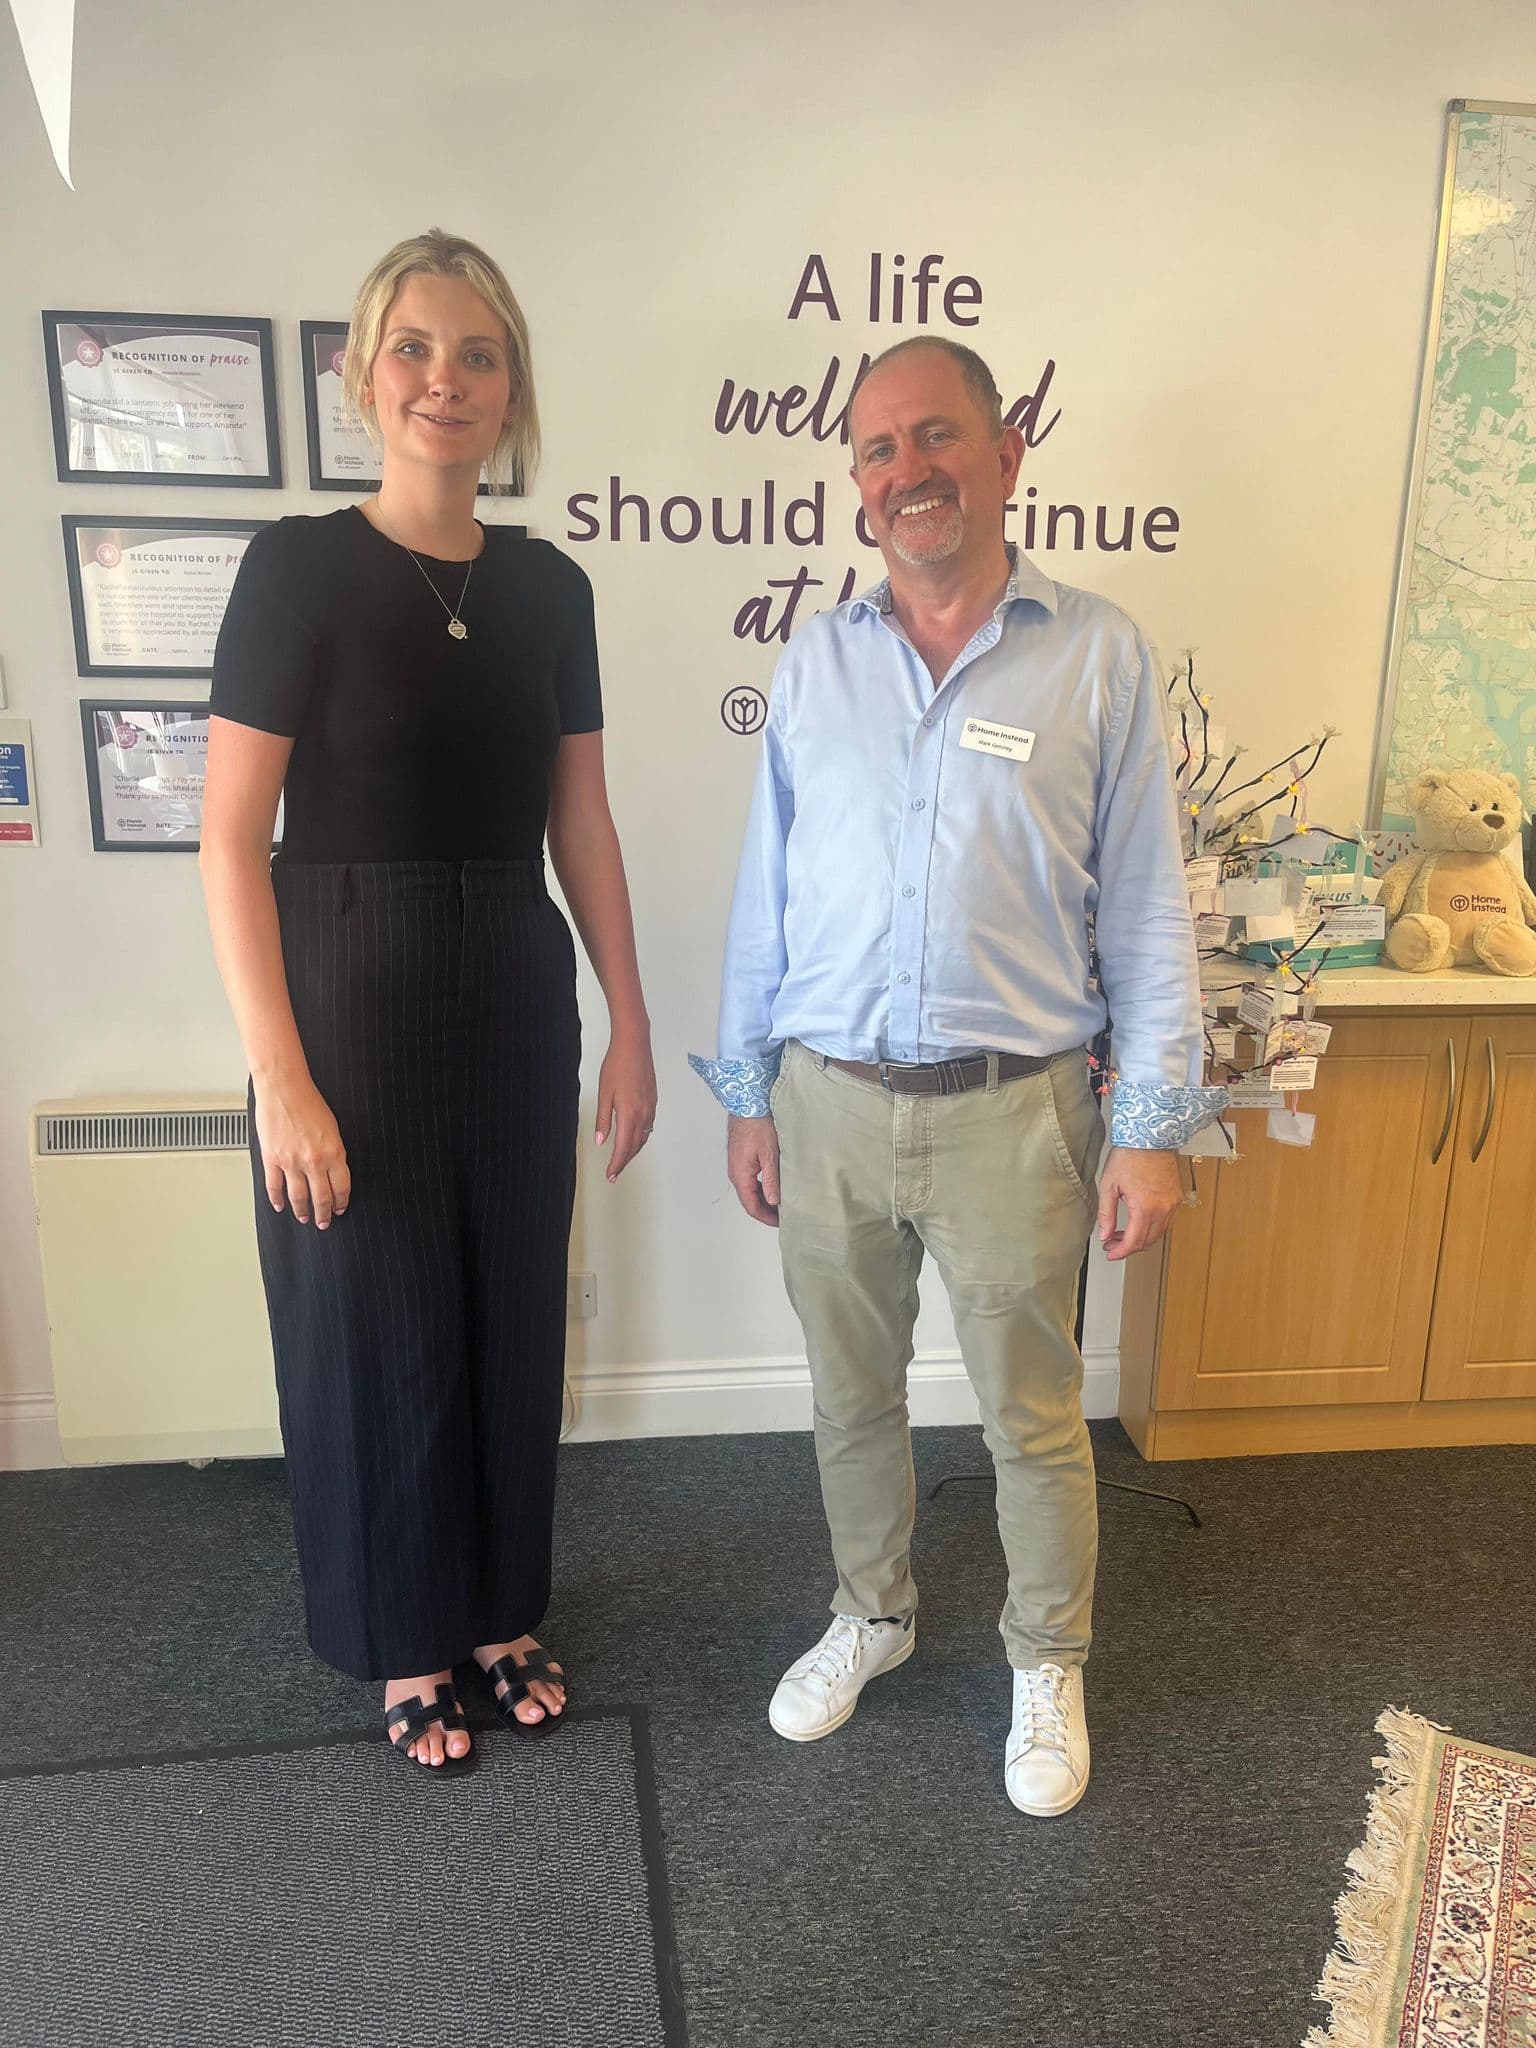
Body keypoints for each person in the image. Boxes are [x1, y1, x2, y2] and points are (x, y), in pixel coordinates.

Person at [690, 336, 1222, 1817]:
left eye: (935, 437)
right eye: (876, 450)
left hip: (1020, 1111)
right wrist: (747, 1091)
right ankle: (872, 1612)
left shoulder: (1097, 651)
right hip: (829, 1102)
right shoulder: (819, 661)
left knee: (1032, 1417)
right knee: (849, 1397)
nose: (906, 470)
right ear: (857, 488)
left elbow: (1146, 910)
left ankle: (1045, 1659)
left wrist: (1152, 1127)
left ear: (1004, 454)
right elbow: (766, 897)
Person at [202, 229, 655, 1774]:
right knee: (373, 1321)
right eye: (414, 348)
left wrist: (633, 1021)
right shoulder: (298, 567)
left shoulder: (552, 587)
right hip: (345, 985)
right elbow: (225, 834)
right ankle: (401, 1632)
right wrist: (281, 1075)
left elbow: (579, 821)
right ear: (362, 372)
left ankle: (490, 1610)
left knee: (505, 1310)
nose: (444, 379)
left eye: (476, 354)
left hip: (515, 983)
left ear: (512, 388)